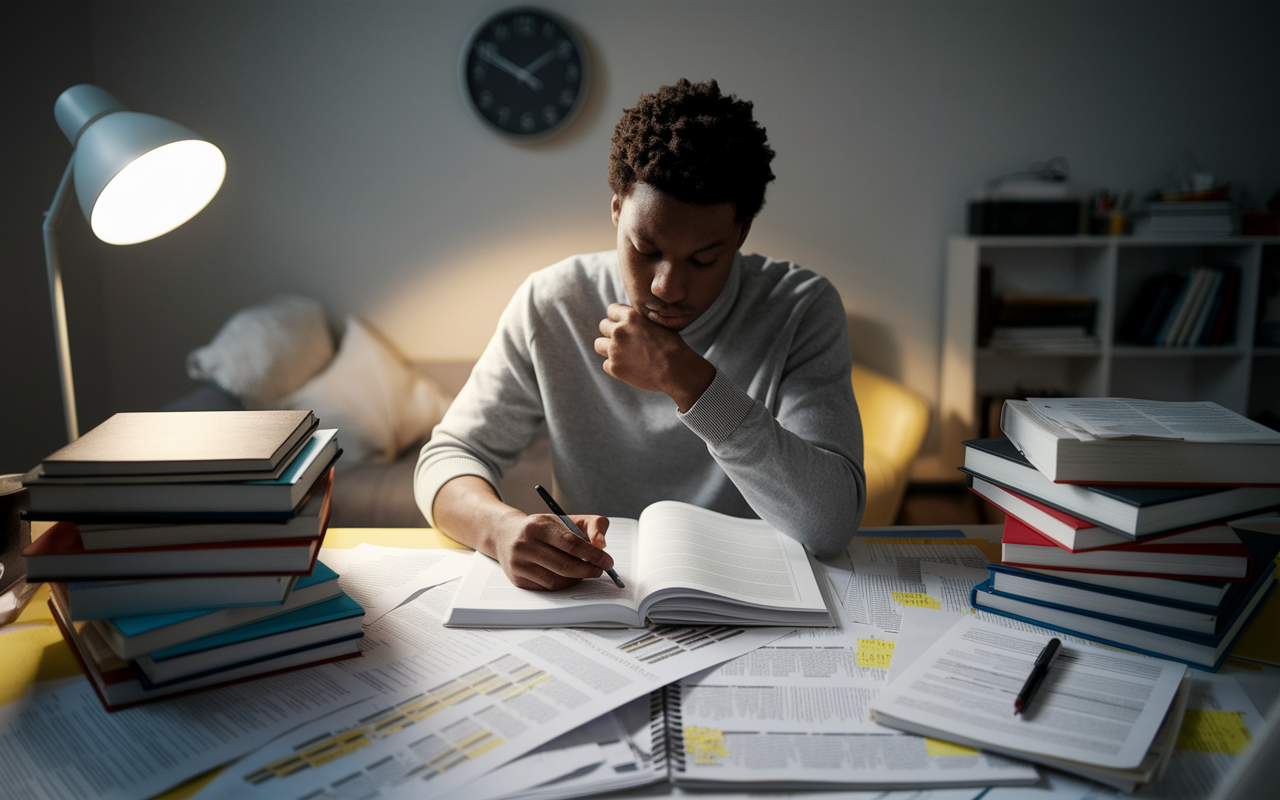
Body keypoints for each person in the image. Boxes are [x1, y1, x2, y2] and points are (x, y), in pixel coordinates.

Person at [415, 78, 864, 590]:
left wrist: (693, 385)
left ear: (741, 233)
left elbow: (831, 525)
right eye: (645, 248)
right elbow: (448, 458)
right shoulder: (553, 302)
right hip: (596, 596)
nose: (667, 287)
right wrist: (498, 529)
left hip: (751, 597)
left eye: (703, 258)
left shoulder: (801, 307)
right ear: (615, 210)